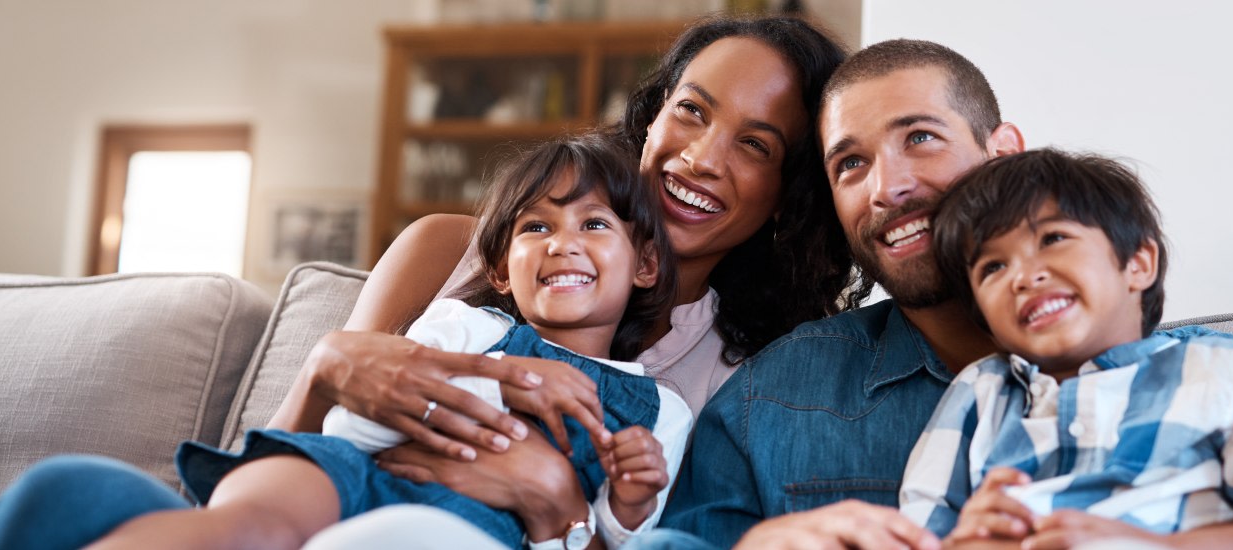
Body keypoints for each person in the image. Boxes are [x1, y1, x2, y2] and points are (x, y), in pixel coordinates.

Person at [648, 39, 1233, 550]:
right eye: (850, 163)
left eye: (921, 138)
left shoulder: (1216, 380)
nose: (887, 188)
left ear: (1003, 153)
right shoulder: (772, 395)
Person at [275, 14, 859, 545]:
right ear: (652, 119)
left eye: (755, 145)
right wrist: (323, 370)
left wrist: (556, 500)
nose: (702, 158)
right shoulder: (440, 251)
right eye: (691, 111)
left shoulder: (743, 383)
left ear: (789, 193)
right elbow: (276, 465)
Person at [0, 135, 695, 549]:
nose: (563, 244)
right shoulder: (468, 328)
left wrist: (627, 498)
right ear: (501, 270)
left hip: (474, 527)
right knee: (243, 526)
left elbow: (616, 535)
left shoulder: (659, 408)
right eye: (536, 227)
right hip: (340, 470)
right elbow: (357, 422)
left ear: (648, 263)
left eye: (594, 225)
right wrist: (494, 376)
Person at [902, 148, 1233, 549]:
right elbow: (918, 531)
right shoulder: (980, 392)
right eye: (992, 268)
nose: (1025, 276)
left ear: (1138, 263)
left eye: (1053, 238)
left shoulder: (1229, 372)